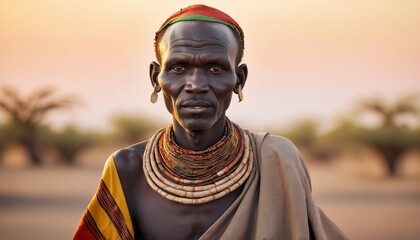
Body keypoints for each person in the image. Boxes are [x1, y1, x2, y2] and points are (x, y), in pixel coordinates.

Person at [73, 4, 347, 240]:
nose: (195, 85)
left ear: (239, 79)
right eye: (178, 68)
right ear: (155, 77)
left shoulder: (277, 160)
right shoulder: (126, 170)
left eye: (215, 68)